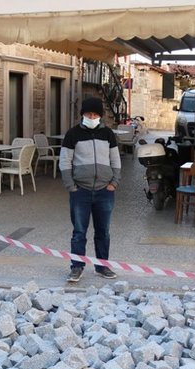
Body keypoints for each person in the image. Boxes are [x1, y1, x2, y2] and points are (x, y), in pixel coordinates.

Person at [60, 97, 121, 283]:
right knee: (79, 232)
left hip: (105, 191)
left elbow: (115, 160)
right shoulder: (73, 134)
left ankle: (102, 266)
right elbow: (64, 161)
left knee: (103, 232)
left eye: (95, 114)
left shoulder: (108, 134)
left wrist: (114, 183)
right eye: (88, 114)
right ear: (83, 115)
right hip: (81, 192)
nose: (92, 116)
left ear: (100, 116)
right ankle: (77, 267)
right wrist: (71, 186)